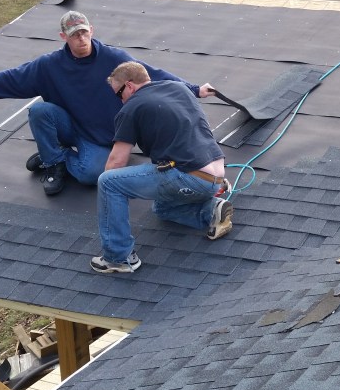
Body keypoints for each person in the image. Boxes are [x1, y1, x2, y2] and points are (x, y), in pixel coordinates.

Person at [0, 11, 214, 196]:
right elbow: (14, 77)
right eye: (74, 35)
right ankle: (53, 163)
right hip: (72, 125)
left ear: (91, 31)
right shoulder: (49, 65)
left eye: (83, 32)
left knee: (91, 176)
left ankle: (59, 156)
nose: (80, 38)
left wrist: (194, 89)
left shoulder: (115, 58)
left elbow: (153, 75)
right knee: (39, 111)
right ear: (63, 37)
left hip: (102, 137)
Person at [90, 61, 233, 273]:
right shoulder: (178, 87)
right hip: (216, 175)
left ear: (129, 86)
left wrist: (108, 204)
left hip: (187, 176)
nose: (120, 100)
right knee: (161, 207)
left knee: (108, 182)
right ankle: (210, 211)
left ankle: (118, 257)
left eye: (118, 94)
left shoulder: (131, 107)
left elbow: (116, 162)